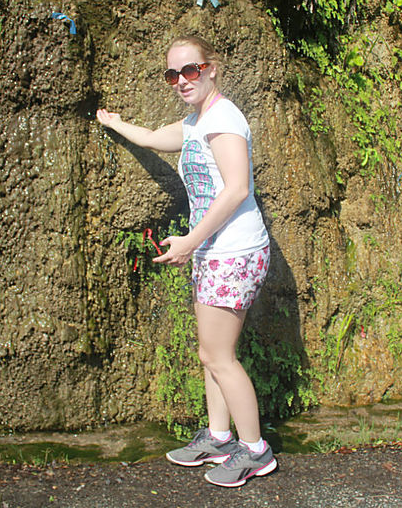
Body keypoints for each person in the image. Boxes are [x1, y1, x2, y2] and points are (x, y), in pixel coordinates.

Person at [96, 35, 276, 487]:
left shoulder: (223, 118)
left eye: (190, 70)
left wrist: (191, 241)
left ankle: (255, 450)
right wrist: (116, 124)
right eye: (172, 74)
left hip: (232, 251)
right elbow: (156, 139)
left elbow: (237, 188)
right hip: (214, 251)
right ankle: (219, 437)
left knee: (219, 357)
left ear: (211, 68)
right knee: (210, 353)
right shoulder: (196, 122)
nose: (181, 80)